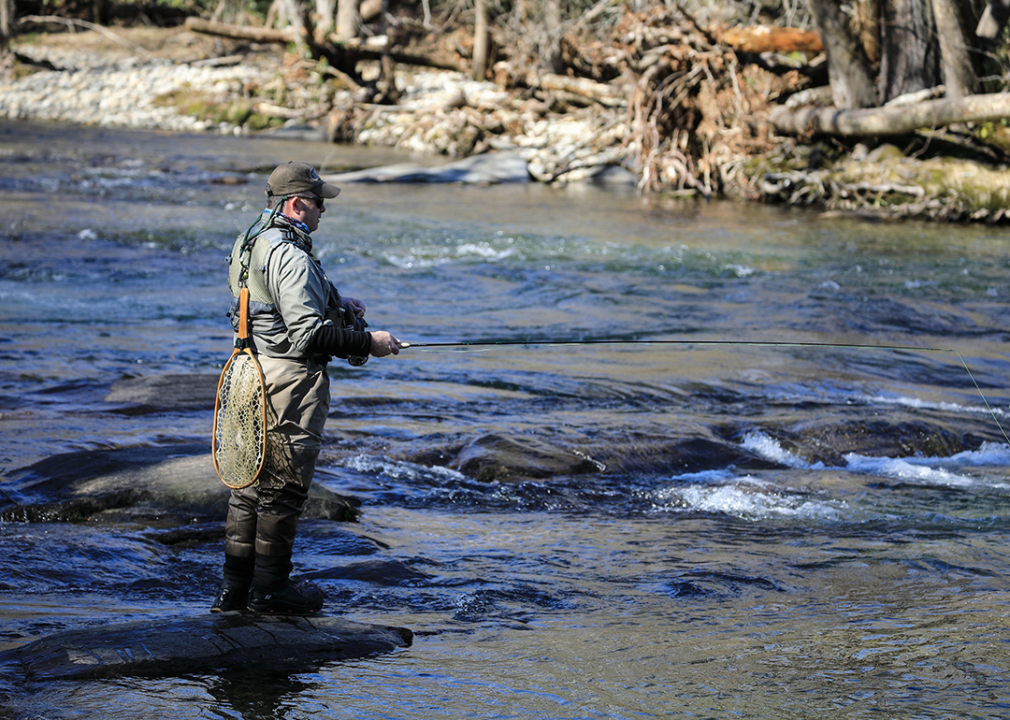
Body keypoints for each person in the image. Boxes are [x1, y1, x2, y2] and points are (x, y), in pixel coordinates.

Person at [211, 160, 401, 615]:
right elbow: (308, 335)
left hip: (248, 371)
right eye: (318, 203)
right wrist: (368, 342)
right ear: (296, 204)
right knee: (283, 488)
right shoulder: (292, 255)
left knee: (248, 486)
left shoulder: (250, 239)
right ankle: (271, 590)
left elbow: (269, 301)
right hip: (288, 382)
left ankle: (234, 591)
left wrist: (334, 298)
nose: (322, 212)